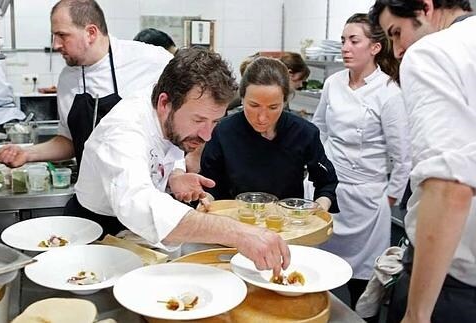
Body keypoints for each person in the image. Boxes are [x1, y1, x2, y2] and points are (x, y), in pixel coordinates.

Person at [75, 47, 291, 275]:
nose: (207, 135)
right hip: (99, 233)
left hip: (138, 235)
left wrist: (174, 176)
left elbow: (170, 144)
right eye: (199, 120)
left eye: (215, 122)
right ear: (164, 103)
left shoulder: (172, 113)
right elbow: (138, 203)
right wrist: (240, 233)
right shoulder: (122, 132)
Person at [0, 0, 173, 227]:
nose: (56, 44)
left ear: (91, 32)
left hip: (141, 205)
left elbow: (184, 116)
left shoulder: (151, 60)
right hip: (91, 203)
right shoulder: (68, 79)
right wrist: (27, 154)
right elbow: (69, 141)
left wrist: (180, 168)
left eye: (62, 35)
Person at [369, 1, 475, 322]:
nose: (399, 50)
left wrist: (417, 314)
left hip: (452, 284)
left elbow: (449, 186)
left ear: (425, 7)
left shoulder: (434, 51)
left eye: (397, 33)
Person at [311, 13, 411, 311]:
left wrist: (389, 198)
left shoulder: (389, 92)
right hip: (328, 195)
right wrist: (318, 175)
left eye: (354, 40)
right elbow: (319, 129)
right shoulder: (333, 83)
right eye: (343, 40)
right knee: (319, 268)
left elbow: (402, 156)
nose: (345, 47)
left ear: (375, 47)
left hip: (368, 201)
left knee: (363, 279)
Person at [198, 57, 338, 213]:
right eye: (254, 105)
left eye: (273, 107)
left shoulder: (303, 132)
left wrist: (320, 208)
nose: (262, 118)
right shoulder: (223, 131)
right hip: (235, 222)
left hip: (284, 224)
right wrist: (205, 201)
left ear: (285, 101)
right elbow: (210, 184)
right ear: (242, 98)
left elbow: (327, 183)